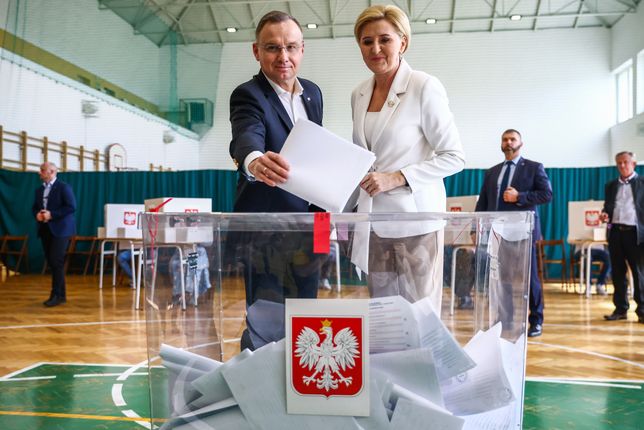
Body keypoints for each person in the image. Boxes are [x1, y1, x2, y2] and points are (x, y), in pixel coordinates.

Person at [350, 4, 465, 310]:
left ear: (403, 42)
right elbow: (363, 157)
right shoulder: (359, 93)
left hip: (416, 225)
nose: (375, 48)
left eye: (384, 39)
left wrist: (397, 178)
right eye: (366, 41)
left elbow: (454, 156)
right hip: (373, 223)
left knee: (420, 315)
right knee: (385, 317)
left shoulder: (424, 86)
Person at [228, 10, 324, 350]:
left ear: (302, 50)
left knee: (307, 316)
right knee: (264, 321)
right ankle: (256, 393)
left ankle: (299, 390)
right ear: (256, 51)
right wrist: (253, 161)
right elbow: (246, 136)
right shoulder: (248, 94)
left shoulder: (313, 93)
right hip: (265, 230)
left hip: (311, 226)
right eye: (272, 48)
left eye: (291, 47)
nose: (283, 57)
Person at [476, 129, 552, 337]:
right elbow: (483, 202)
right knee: (502, 279)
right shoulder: (492, 171)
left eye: (512, 139)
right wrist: (478, 226)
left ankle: (536, 320)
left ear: (521, 143)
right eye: (505, 139)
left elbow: (547, 194)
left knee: (530, 279)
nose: (508, 142)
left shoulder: (534, 168)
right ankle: (505, 320)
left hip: (523, 232)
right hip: (498, 233)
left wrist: (521, 196)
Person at [601, 151, 644, 323]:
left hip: (636, 234)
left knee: (639, 272)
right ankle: (620, 309)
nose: (622, 166)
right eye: (619, 163)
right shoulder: (611, 185)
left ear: (633, 164)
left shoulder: (642, 182)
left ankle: (642, 310)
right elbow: (608, 207)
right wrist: (605, 214)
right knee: (617, 272)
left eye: (626, 162)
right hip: (616, 233)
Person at [32, 162, 76, 307]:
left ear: (51, 172)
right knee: (53, 263)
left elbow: (71, 207)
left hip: (61, 230)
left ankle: (56, 294)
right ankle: (61, 295)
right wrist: (37, 214)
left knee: (56, 260)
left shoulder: (64, 187)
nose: (40, 172)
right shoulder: (39, 190)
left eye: (42, 170)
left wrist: (52, 214)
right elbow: (35, 208)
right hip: (45, 230)